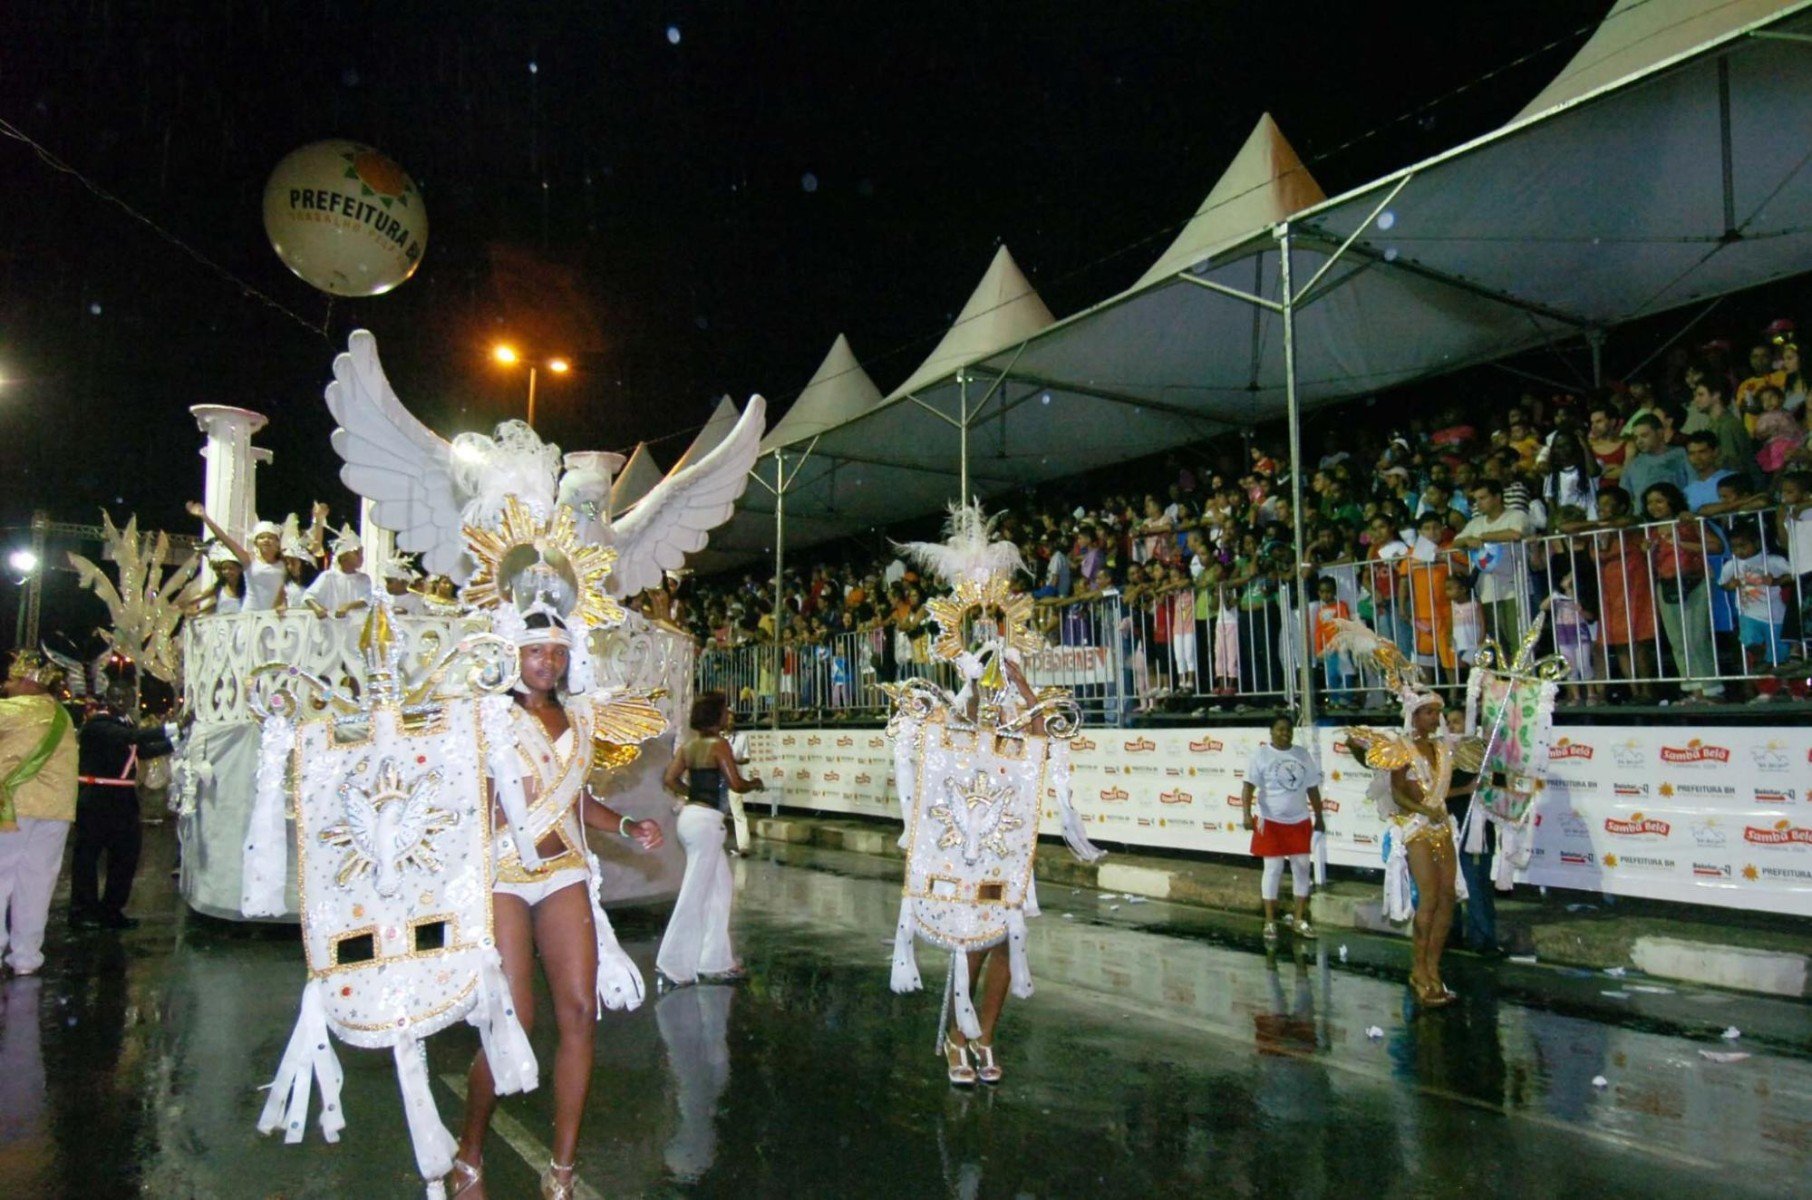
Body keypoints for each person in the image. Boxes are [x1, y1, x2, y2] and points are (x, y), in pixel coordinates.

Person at [450, 611, 666, 1200]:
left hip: (565, 870)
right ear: (511, 652)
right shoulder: (484, 716)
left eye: (559, 651)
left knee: (580, 1011)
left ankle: (562, 1171)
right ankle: (469, 1153)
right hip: (503, 872)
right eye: (536, 650)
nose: (549, 662)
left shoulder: (579, 717)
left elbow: (576, 800)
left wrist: (626, 824)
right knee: (513, 1019)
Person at [1337, 623, 1478, 1009]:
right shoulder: (1401, 748)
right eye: (1429, 712)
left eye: (1437, 712)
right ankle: (1419, 969)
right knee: (1429, 899)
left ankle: (1433, 968)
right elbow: (1399, 793)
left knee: (1448, 899)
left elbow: (1441, 791)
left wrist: (1467, 790)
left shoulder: (1444, 750)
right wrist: (1423, 810)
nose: (1435, 718)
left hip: (1441, 826)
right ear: (1414, 716)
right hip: (1416, 829)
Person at [657, 693, 764, 988]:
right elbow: (736, 783)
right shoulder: (719, 745)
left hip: (692, 818)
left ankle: (715, 962)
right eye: (725, 710)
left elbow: (669, 779)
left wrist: (691, 794)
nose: (728, 714)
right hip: (705, 824)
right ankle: (673, 964)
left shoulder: (690, 747)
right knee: (694, 894)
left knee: (721, 890)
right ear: (716, 716)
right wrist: (754, 783)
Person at [69, 681, 173, 931]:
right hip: (96, 797)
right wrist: (172, 728)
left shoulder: (125, 724)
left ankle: (112, 910)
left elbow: (142, 750)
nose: (120, 702)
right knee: (87, 856)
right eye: (115, 697)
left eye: (125, 698)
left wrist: (176, 742)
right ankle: (83, 912)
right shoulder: (97, 725)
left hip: (123, 799)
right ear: (107, 698)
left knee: (126, 856)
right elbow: (130, 738)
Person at [0, 654, 77, 974]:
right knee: (37, 884)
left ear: (27, 683)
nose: (6, 686)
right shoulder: (64, 716)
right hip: (56, 811)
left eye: (11, 680)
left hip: (12, 808)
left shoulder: (12, 710)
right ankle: (26, 957)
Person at [1240, 716, 1325, 941]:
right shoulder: (1261, 755)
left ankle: (1299, 919)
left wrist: (1319, 816)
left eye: (1288, 730)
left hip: (1299, 821)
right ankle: (1270, 922)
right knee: (1273, 869)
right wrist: (1246, 814)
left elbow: (1312, 789)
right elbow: (1248, 787)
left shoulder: (1302, 755)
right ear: (1271, 731)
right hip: (1270, 821)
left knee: (1302, 868)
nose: (1285, 734)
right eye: (1280, 730)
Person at [1641, 482, 1726, 703]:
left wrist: (1683, 544)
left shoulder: (1688, 522)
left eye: (1659, 501)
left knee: (1697, 637)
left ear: (1672, 500)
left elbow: (1717, 546)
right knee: (1678, 641)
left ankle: (1711, 690)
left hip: (1694, 580)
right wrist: (1647, 551)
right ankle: (1694, 690)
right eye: (1650, 502)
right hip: (1667, 584)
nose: (1654, 506)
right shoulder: (1652, 531)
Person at [1718, 521, 1793, 701]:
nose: (1739, 551)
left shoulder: (1773, 561)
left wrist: (1776, 581)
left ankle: (1783, 690)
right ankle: (1764, 668)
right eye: (1734, 547)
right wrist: (1731, 585)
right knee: (1749, 640)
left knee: (1780, 656)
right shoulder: (1731, 565)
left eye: (1743, 545)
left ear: (1757, 542)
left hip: (1775, 616)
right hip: (1748, 613)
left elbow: (1793, 573)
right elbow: (1723, 583)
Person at [1450, 479, 1529, 649]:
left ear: (1497, 497)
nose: (1478, 503)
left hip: (1515, 589)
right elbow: (1456, 542)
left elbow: (1515, 534)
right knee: (1498, 646)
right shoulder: (1475, 523)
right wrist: (1468, 540)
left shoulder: (1516, 516)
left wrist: (1484, 537)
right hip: (1486, 591)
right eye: (1476, 499)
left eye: (1483, 498)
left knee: (1519, 643)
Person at [186, 502, 288, 612]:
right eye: (261, 537)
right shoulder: (248, 560)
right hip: (249, 614)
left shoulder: (284, 564)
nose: (266, 540)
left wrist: (282, 604)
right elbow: (225, 539)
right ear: (256, 542)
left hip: (272, 615)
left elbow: (284, 590)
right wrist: (204, 517)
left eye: (270, 537)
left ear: (277, 542)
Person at [303, 526, 373, 617]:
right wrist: (317, 608)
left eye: (361, 553)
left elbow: (367, 599)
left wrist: (348, 607)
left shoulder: (364, 579)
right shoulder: (328, 576)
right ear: (343, 557)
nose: (361, 557)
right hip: (331, 624)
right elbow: (308, 596)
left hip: (356, 625)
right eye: (356, 553)